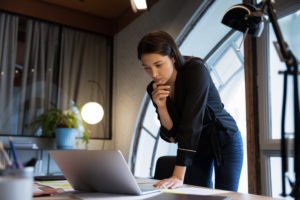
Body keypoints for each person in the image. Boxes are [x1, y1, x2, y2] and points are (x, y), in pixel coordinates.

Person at [137, 30, 243, 192]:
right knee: (197, 194)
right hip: (196, 145)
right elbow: (171, 135)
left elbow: (192, 122)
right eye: (147, 68)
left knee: (226, 195)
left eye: (158, 65)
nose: (154, 74)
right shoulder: (153, 89)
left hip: (224, 138)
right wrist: (162, 107)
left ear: (172, 57)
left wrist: (178, 175)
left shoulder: (195, 70)